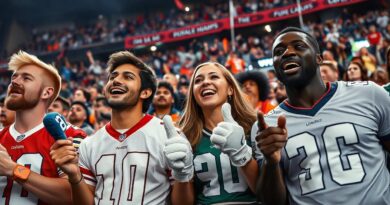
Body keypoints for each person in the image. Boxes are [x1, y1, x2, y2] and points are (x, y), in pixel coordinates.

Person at [253, 27, 390, 204]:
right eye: (279, 52)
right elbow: (272, 202)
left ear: (319, 58)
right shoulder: (265, 127)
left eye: (298, 46)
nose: (287, 53)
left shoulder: (370, 94)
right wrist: (271, 162)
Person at [50, 51, 187, 204]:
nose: (116, 81)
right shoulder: (89, 143)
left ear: (145, 92)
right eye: (112, 77)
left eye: (128, 77)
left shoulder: (169, 136)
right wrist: (75, 176)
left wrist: (183, 175)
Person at [0, 50, 86, 205]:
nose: (15, 82)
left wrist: (13, 169)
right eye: (14, 77)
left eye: (26, 78)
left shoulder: (70, 134)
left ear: (47, 92)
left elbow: (73, 196)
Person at [169, 62, 259, 204]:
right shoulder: (186, 138)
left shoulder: (253, 128)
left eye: (214, 77)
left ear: (230, 89)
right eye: (198, 81)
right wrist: (181, 174)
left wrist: (242, 154)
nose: (205, 82)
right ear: (193, 94)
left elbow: (268, 193)